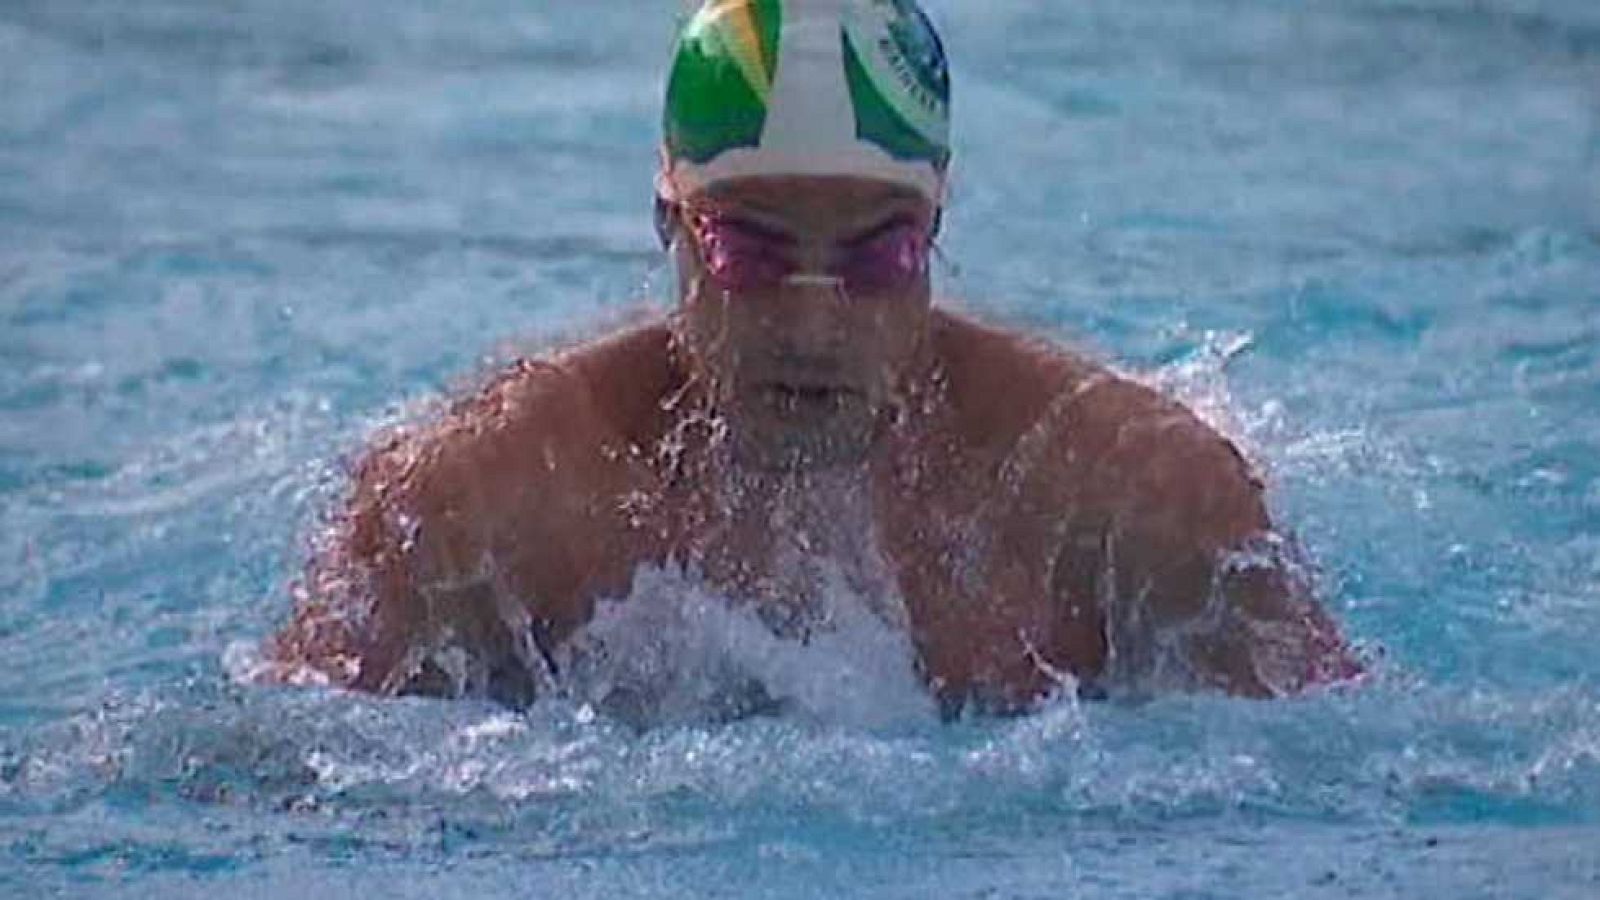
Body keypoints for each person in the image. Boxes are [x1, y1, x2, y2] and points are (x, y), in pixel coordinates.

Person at [267, 0, 1360, 716]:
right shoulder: (483, 501)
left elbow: (1355, 790)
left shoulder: (1135, 500)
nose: (813, 317)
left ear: (934, 225)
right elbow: (265, 785)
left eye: (878, 253)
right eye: (750, 247)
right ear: (670, 217)